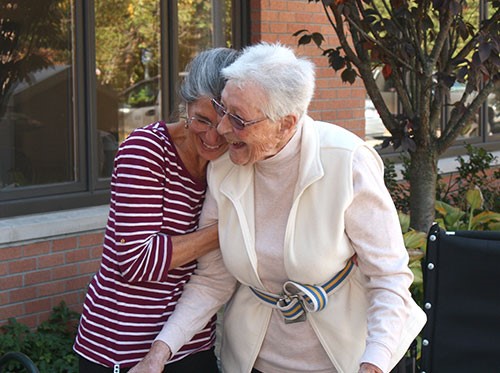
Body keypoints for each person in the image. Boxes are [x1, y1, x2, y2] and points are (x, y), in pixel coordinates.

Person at [129, 42, 426, 373]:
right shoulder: (225, 169)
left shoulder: (347, 161)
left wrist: (374, 363)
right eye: (222, 109)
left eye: (238, 120)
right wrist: (158, 354)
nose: (223, 130)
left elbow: (388, 277)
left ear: (286, 123)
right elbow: (213, 279)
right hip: (254, 360)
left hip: (348, 359)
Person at [73, 47, 240, 373]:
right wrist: (230, 229)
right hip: (123, 344)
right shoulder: (144, 152)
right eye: (201, 120)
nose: (210, 137)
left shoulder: (230, 163)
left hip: (190, 339)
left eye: (221, 127)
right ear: (186, 105)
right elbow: (136, 262)